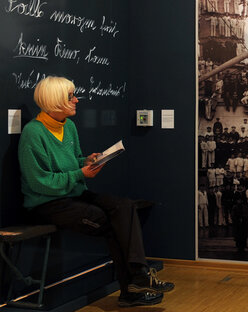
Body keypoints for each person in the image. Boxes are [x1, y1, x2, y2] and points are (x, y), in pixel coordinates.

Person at [18, 76, 174, 307]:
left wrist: (88, 160)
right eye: (71, 96)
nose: (77, 100)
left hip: (73, 193)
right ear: (55, 100)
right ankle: (134, 286)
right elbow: (39, 182)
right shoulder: (33, 133)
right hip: (48, 203)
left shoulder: (68, 127)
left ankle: (137, 281)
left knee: (124, 207)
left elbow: (72, 163)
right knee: (111, 222)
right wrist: (81, 173)